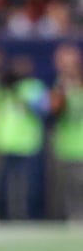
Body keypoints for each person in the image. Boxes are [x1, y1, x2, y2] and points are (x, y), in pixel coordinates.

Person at [0, 56, 49, 220]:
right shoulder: (4, 89)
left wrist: (26, 101)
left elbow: (45, 109)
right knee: (5, 185)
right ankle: (6, 217)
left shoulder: (34, 87)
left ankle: (27, 217)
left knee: (28, 186)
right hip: (6, 144)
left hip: (27, 144)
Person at [51, 44, 83, 222]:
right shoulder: (57, 85)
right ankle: (72, 220)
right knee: (68, 191)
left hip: (81, 144)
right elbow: (55, 112)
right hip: (66, 147)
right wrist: (64, 89)